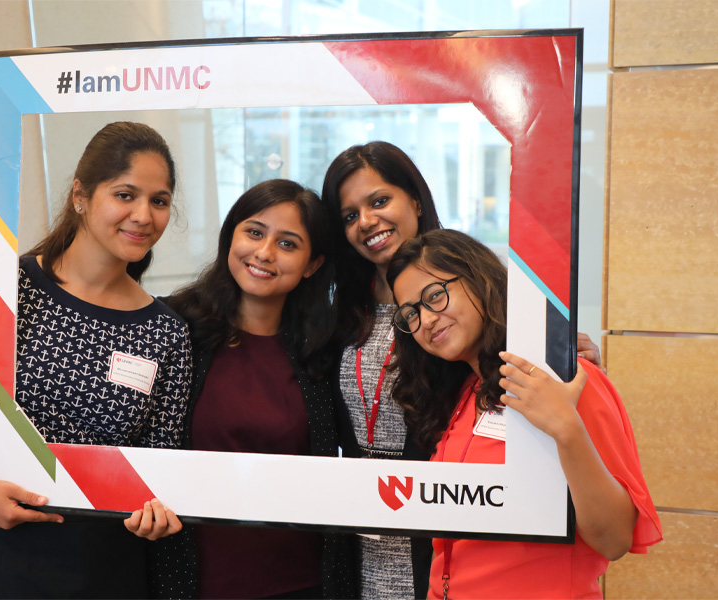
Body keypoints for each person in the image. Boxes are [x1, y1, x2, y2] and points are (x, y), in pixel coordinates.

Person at [0, 121, 191, 598]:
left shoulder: (166, 332)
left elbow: (160, 462)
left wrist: (157, 514)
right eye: (125, 194)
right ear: (81, 194)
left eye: (158, 201)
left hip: (106, 565)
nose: (143, 215)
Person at [320, 141, 605, 599]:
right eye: (350, 215)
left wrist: (562, 352)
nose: (367, 221)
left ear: (414, 198)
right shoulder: (340, 310)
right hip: (363, 525)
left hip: (452, 522)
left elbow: (520, 360)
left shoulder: (468, 288)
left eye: (378, 201)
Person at [387, 229, 662, 599]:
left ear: (478, 278)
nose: (427, 319)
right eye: (411, 314)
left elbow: (614, 539)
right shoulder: (464, 394)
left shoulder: (564, 380)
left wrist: (567, 429)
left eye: (435, 296)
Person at [147, 179, 356, 599]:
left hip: (303, 583)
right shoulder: (172, 325)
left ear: (312, 264)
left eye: (288, 244)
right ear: (232, 236)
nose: (264, 253)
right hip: (188, 580)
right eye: (255, 232)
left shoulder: (326, 350)